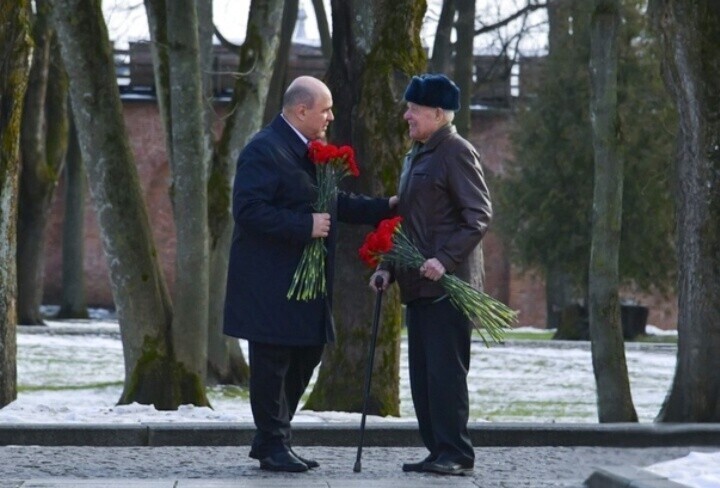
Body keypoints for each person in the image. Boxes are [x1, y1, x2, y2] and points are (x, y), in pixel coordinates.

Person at [223, 76, 397, 473]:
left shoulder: (306, 152)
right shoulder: (264, 150)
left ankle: (273, 436)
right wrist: (304, 226)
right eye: (325, 109)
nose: (331, 117)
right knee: (272, 362)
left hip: (303, 288)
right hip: (269, 284)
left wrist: (384, 206)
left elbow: (334, 203)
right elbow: (247, 211)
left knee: (308, 352)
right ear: (301, 110)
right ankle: (273, 444)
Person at [371, 73, 492, 476]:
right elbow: (404, 221)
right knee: (423, 377)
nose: (406, 116)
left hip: (447, 288)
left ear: (438, 114)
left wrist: (444, 259)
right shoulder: (415, 156)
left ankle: (457, 453)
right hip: (416, 285)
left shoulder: (456, 152)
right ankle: (437, 449)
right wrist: (387, 266)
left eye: (413, 110)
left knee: (445, 375)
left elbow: (478, 217)